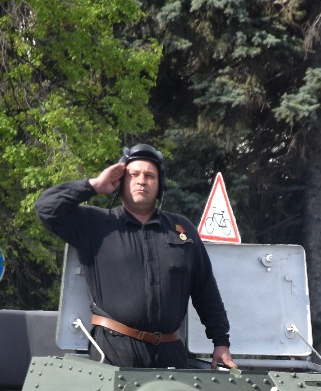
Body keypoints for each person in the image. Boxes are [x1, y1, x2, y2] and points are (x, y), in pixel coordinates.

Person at [35, 143, 234, 369]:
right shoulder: (97, 224)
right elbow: (46, 207)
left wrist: (221, 342)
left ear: (160, 185)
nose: (142, 180)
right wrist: (94, 185)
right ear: (121, 182)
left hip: (169, 353)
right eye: (134, 174)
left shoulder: (181, 229)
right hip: (113, 352)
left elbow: (205, 290)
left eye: (150, 176)